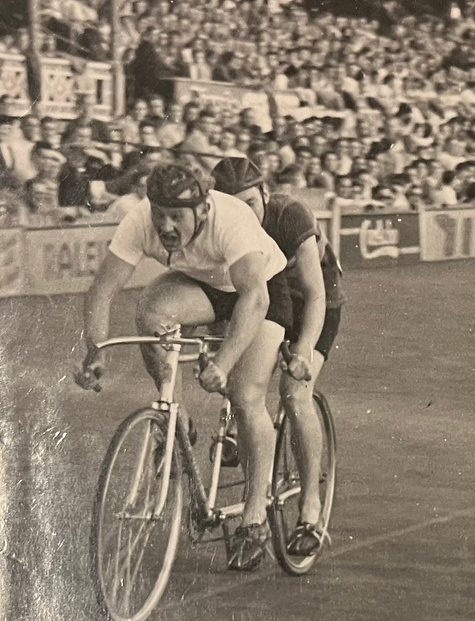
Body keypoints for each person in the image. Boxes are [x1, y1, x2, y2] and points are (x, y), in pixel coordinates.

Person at [75, 162, 292, 572]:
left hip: (260, 289)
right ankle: (176, 417)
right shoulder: (139, 221)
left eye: (178, 216)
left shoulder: (231, 220)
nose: (167, 226)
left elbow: (254, 299)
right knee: (151, 313)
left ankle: (254, 516)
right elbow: (104, 289)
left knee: (246, 396)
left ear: (204, 211)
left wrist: (224, 363)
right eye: (161, 215)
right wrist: (96, 349)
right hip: (206, 286)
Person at [211, 156, 346, 556]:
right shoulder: (220, 224)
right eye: (231, 203)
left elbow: (317, 293)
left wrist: (303, 348)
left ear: (265, 195)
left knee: (294, 391)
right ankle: (239, 430)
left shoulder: (289, 215)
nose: (242, 213)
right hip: (265, 300)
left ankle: (310, 507)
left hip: (311, 300)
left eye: (250, 203)